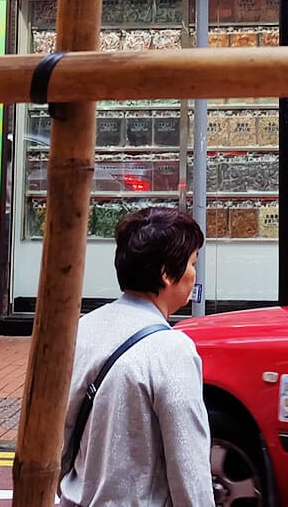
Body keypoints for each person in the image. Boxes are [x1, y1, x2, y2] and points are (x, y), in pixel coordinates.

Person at [59, 207, 210, 507]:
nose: (194, 275)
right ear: (167, 273)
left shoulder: (83, 329)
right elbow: (189, 471)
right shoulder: (172, 350)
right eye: (192, 263)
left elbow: (60, 438)